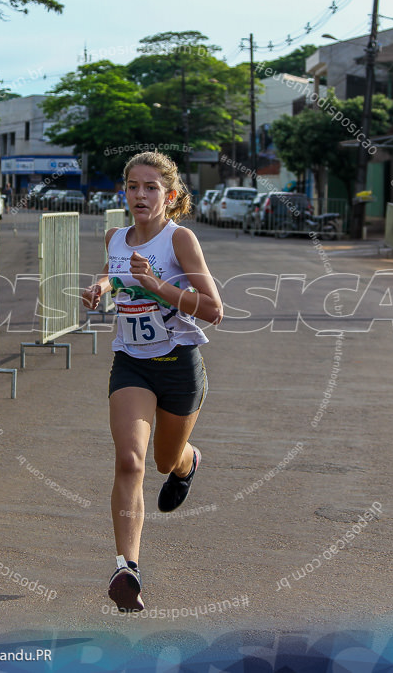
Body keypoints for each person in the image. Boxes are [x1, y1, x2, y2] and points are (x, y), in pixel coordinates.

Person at [81, 151, 224, 612]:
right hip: (132, 364)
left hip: (179, 363)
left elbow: (214, 310)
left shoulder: (178, 240)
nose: (140, 195)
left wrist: (157, 286)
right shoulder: (115, 238)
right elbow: (112, 268)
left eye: (151, 187)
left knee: (164, 462)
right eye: (133, 187)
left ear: (170, 195)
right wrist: (101, 287)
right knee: (130, 461)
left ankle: (187, 462)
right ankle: (128, 569)